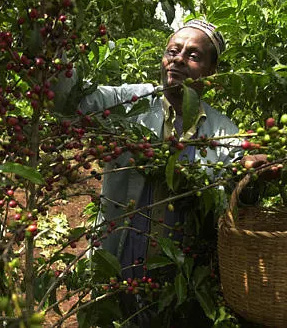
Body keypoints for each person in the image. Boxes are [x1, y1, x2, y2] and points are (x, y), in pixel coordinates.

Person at [78, 19, 265, 326]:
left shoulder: (224, 133)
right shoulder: (131, 103)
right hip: (119, 260)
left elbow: (237, 200)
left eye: (193, 55)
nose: (178, 59)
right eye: (173, 51)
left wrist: (255, 176)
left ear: (211, 71)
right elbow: (73, 100)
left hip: (183, 279)